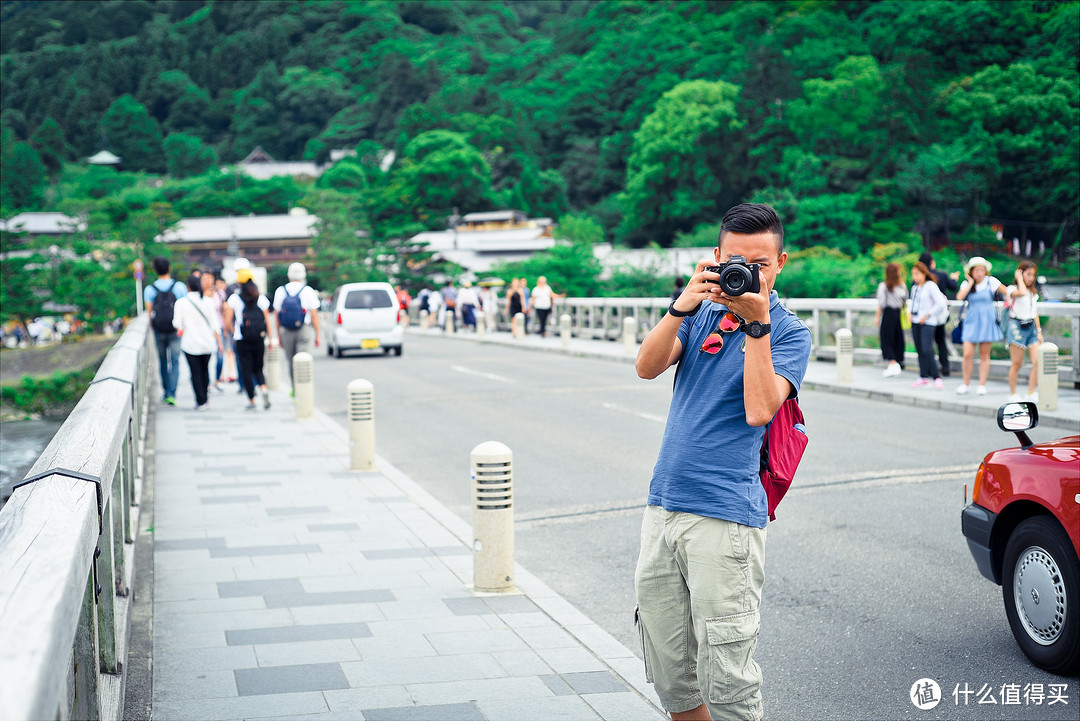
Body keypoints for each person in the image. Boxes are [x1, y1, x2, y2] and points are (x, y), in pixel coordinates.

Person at [634, 203, 811, 721]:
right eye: (737, 260)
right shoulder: (703, 311)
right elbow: (646, 367)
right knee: (671, 671)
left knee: (728, 678)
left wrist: (756, 329)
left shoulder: (789, 331)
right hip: (663, 506)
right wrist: (680, 306)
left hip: (726, 517)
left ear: (780, 262)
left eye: (760, 263)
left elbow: (760, 409)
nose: (748, 272)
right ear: (716, 257)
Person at [955, 257, 1004, 396]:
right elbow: (960, 297)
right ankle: (966, 383)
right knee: (967, 354)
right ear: (971, 271)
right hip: (972, 320)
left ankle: (982, 384)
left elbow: (1007, 292)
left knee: (984, 355)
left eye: (982, 270)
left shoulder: (991, 282)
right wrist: (971, 283)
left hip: (987, 320)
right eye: (976, 270)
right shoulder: (967, 284)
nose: (979, 273)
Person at [173, 274, 223, 410]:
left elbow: (177, 323)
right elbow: (215, 325)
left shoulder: (181, 303)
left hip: (190, 344)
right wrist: (220, 343)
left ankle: (200, 400)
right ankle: (205, 399)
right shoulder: (208, 301)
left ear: (187, 287)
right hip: (207, 343)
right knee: (205, 370)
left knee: (195, 372)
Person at [224, 269, 271, 410]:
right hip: (258, 338)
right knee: (258, 368)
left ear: (239, 282)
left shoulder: (234, 299)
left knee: (246, 370)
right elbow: (267, 321)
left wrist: (234, 333)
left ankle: (251, 400)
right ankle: (263, 388)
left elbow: (227, 322)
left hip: (242, 339)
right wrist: (271, 337)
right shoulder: (261, 298)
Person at [144, 257, 187, 405]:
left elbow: (149, 313)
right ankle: (172, 394)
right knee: (175, 361)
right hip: (176, 330)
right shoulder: (179, 286)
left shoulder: (150, 289)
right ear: (169, 268)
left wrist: (153, 327)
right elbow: (184, 309)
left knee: (162, 361)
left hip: (159, 330)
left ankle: (166, 391)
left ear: (155, 270)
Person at [273, 262, 321, 395]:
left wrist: (279, 335)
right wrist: (317, 334)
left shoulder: (280, 291)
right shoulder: (308, 290)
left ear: (289, 275)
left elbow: (277, 316)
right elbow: (314, 316)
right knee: (302, 359)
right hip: (304, 329)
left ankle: (294, 389)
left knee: (291, 361)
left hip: (286, 330)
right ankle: (303, 390)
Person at [1005, 261, 1043, 402]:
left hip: (1031, 327)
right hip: (1017, 327)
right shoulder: (1011, 289)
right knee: (1017, 363)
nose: (1031, 278)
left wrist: (1039, 331)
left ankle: (1031, 391)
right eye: (1028, 274)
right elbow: (1020, 293)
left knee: (1037, 361)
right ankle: (1013, 393)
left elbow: (1034, 313)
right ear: (1020, 273)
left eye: (1033, 275)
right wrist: (1019, 279)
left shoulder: (1032, 293)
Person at [908, 262, 948, 389]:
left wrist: (927, 314)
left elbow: (940, 303)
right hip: (915, 321)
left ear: (924, 273)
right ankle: (923, 375)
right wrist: (909, 313)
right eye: (913, 274)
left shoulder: (930, 286)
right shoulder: (915, 288)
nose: (915, 277)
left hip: (928, 322)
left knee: (927, 349)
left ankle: (936, 376)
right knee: (919, 349)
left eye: (917, 274)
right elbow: (912, 303)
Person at [919, 252, 959, 376]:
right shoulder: (941, 275)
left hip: (925, 316)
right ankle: (945, 367)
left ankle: (930, 368)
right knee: (940, 341)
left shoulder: (921, 277)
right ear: (932, 262)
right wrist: (954, 279)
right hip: (940, 315)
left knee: (927, 343)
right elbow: (953, 287)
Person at [874, 262, 908, 377]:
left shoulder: (884, 286)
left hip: (888, 314)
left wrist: (877, 317)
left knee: (887, 338)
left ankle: (893, 363)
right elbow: (905, 299)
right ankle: (898, 361)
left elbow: (881, 303)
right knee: (898, 338)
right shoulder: (901, 285)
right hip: (897, 314)